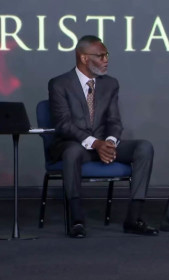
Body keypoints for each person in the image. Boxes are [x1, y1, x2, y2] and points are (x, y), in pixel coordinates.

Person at [48, 35, 158, 238]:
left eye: (107, 55)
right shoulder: (59, 84)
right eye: (100, 55)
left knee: (144, 147)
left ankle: (133, 219)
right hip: (75, 145)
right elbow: (64, 125)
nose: (106, 59)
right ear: (83, 58)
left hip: (102, 146)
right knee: (71, 152)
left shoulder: (110, 84)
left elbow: (114, 122)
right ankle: (77, 221)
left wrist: (108, 143)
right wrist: (95, 143)